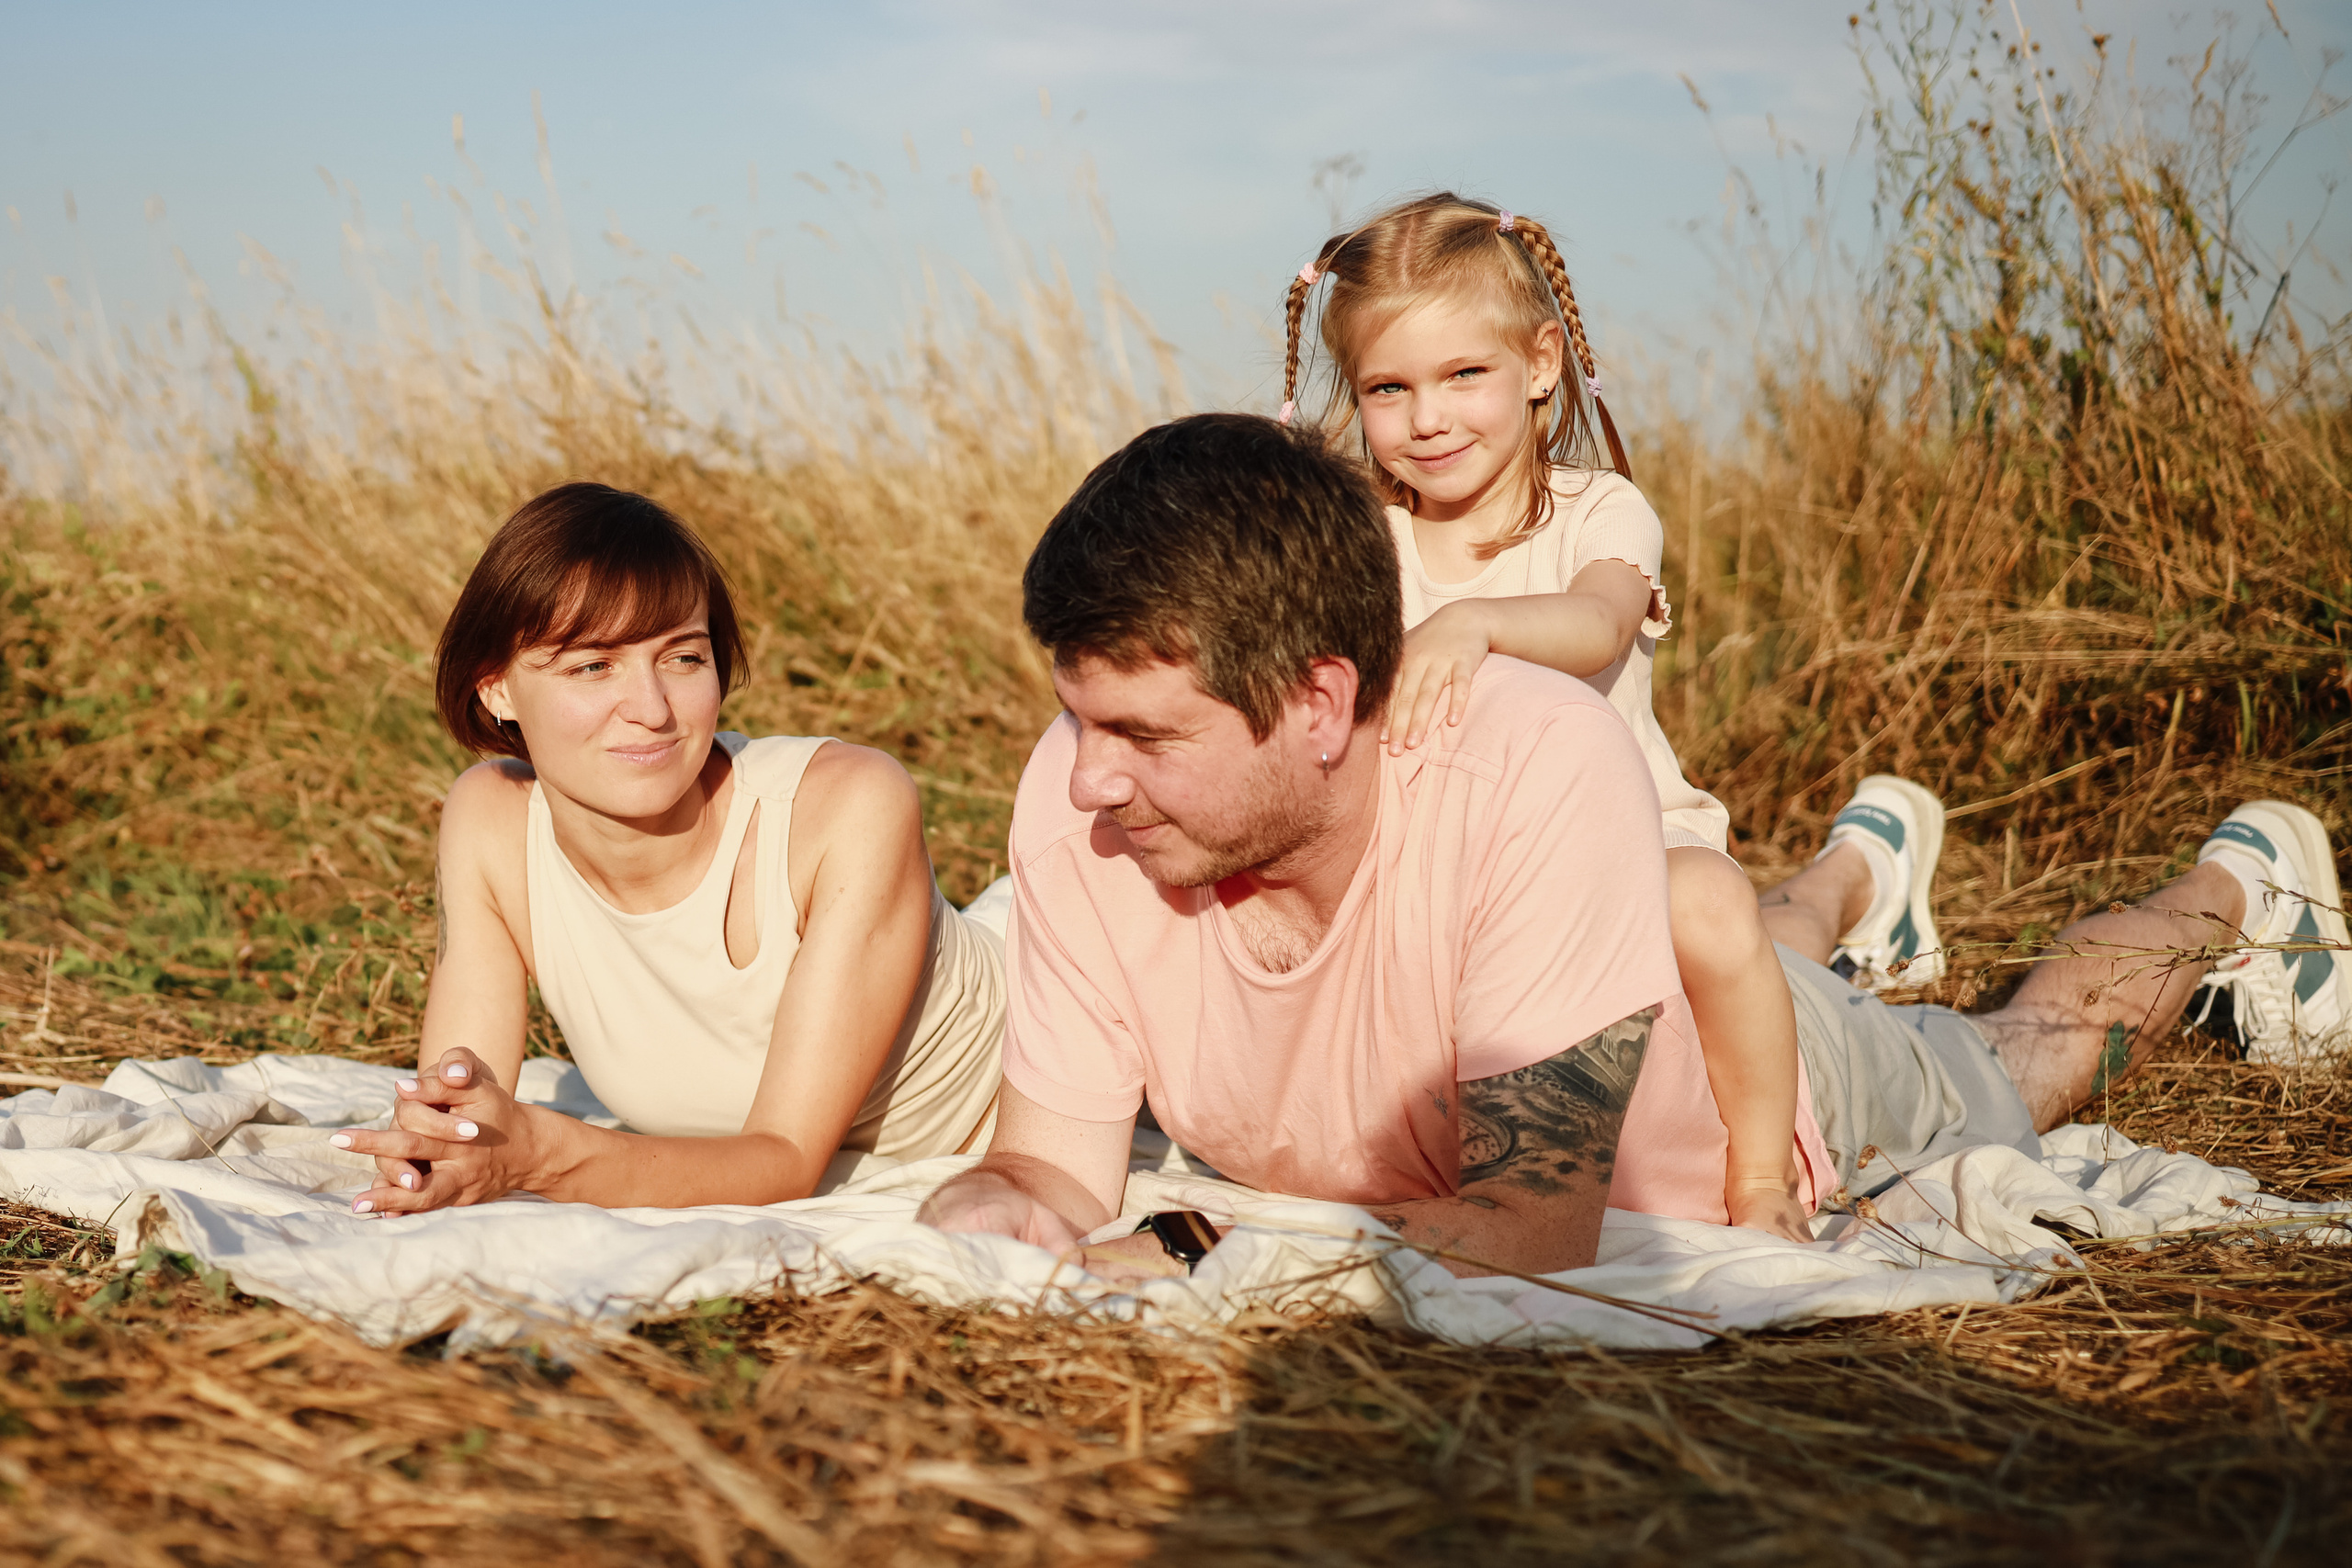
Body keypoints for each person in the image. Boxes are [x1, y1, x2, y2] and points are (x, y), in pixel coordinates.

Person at [915, 412, 2345, 1282]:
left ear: (1319, 700)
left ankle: (2243, 878)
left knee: (2024, 1048)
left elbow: (1531, 1224)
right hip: (1641, 955)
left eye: (1146, 735)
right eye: (1077, 719)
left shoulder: (1527, 760)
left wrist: (1194, 1246)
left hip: (1765, 1099)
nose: (1089, 776)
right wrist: (999, 1205)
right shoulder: (1079, 795)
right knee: (1736, 927)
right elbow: (1049, 1171)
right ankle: (1860, 866)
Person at [1272, 193, 1828, 1240]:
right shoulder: (1365, 534)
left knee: (1710, 904)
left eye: (1461, 376)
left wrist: (1476, 621)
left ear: (1539, 364)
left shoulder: (1597, 512)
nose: (1426, 419)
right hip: (1439, 855)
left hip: (1623, 852)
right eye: (1388, 389)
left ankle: (1760, 1177)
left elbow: (1598, 624)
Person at [334, 482, 1008, 1214]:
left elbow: (783, 1163)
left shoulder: (845, 807)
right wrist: (443, 1140)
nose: (653, 710)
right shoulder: (490, 820)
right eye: (593, 666)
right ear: (495, 689)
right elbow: (458, 1112)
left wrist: (544, 1153)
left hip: (1041, 1046)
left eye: (683, 657)